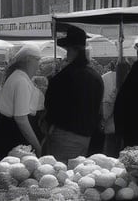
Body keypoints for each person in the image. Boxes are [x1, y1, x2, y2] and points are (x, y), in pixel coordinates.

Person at [43, 25, 103, 164]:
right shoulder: (96, 76)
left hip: (64, 136)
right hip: (87, 136)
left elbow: (50, 105)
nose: (66, 54)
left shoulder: (62, 77)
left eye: (67, 50)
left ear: (72, 50)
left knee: (60, 177)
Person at [0, 43, 44, 161]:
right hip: (13, 136)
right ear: (29, 60)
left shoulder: (18, 76)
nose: (39, 64)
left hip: (9, 132)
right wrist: (37, 146)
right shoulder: (21, 80)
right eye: (38, 60)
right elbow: (21, 119)